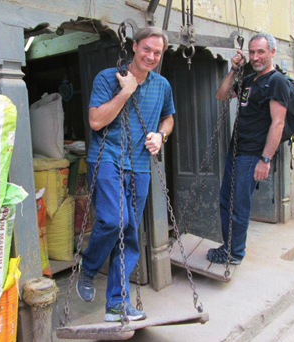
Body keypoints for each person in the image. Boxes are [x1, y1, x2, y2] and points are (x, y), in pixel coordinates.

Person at [77, 27, 175, 322]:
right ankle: (89, 268)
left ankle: (116, 305)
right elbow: (96, 121)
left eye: (157, 53)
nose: (151, 56)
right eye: (146, 49)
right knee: (113, 219)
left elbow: (168, 118)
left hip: (141, 165)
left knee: (130, 232)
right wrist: (126, 91)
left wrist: (161, 135)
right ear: (135, 47)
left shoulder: (162, 85)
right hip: (106, 158)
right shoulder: (108, 78)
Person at [207, 33, 291, 265]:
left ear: (272, 52)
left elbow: (278, 122)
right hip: (237, 151)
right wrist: (234, 70)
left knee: (239, 204)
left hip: (253, 155)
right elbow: (221, 95)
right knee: (227, 200)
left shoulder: (276, 82)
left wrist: (265, 159)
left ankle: (234, 253)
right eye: (252, 52)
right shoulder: (250, 80)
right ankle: (229, 247)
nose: (255, 57)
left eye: (261, 52)